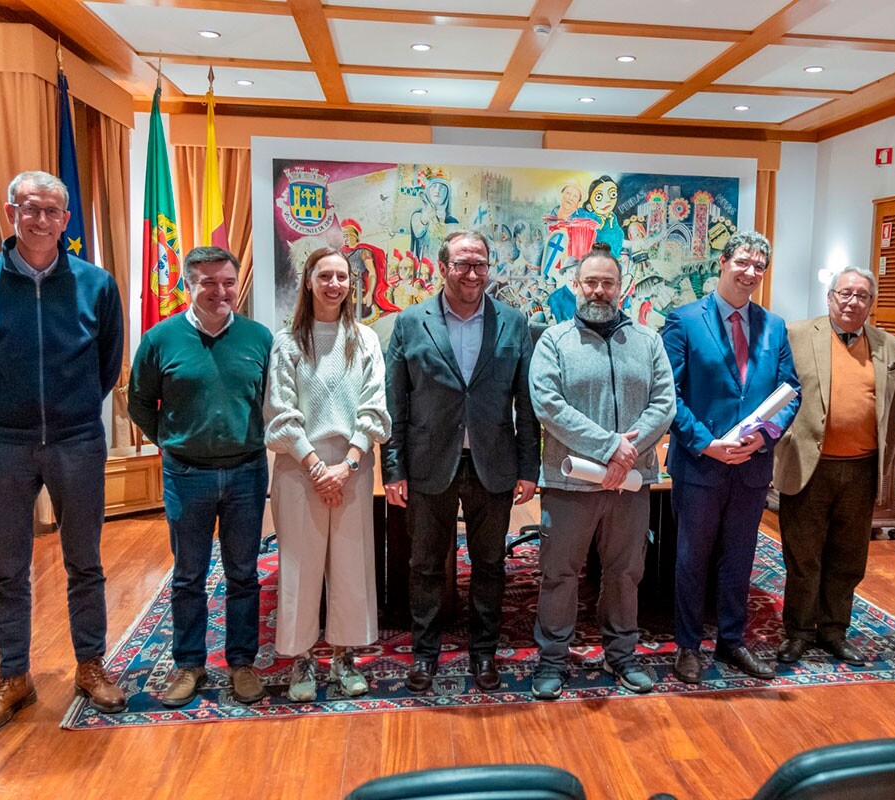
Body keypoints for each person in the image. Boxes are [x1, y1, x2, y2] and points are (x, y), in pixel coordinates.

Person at [0, 170, 126, 735]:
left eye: (52, 211)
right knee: (8, 569)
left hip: (77, 441)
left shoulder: (96, 284)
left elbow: (106, 363)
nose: (42, 220)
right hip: (5, 444)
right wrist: (5, 411)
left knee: (85, 563)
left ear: (65, 221)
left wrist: (74, 410)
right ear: (12, 213)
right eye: (31, 209)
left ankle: (91, 665)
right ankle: (13, 678)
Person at [381, 230, 540, 693]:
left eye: (480, 264)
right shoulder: (411, 322)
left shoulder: (513, 322)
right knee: (426, 564)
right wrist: (393, 468)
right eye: (463, 264)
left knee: (489, 564)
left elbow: (526, 403)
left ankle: (484, 651)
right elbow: (395, 402)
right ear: (442, 267)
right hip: (429, 462)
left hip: (494, 462)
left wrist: (529, 468)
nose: (472, 273)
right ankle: (425, 654)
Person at [527, 245, 676, 700]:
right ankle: (552, 660)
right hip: (570, 481)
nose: (598, 290)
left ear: (620, 288)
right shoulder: (554, 341)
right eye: (590, 282)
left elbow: (664, 403)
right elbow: (548, 405)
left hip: (630, 483)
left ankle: (622, 655)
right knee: (559, 574)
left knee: (625, 573)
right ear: (576, 285)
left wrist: (625, 455)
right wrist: (610, 446)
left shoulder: (648, 341)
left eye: (607, 283)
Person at [128, 245, 274, 707]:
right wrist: (171, 440)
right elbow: (139, 402)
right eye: (208, 282)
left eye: (228, 282)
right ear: (189, 285)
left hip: (247, 472)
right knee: (189, 575)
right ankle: (189, 664)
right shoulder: (160, 339)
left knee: (243, 573)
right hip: (186, 475)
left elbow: (272, 400)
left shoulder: (259, 338)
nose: (220, 291)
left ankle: (242, 662)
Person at [661, 230, 800, 684]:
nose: (750, 272)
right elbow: (669, 395)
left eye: (759, 266)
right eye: (742, 261)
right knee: (692, 559)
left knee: (740, 559)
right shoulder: (684, 320)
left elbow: (791, 392)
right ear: (722, 262)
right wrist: (706, 443)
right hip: (700, 463)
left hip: (752, 466)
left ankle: (732, 640)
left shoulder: (774, 326)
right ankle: (687, 646)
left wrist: (764, 438)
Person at [264, 248, 391, 701]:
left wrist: (348, 463)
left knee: (351, 564)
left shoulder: (365, 339)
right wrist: (317, 467)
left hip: (353, 465)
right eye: (325, 276)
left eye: (342, 277)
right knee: (300, 566)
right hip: (300, 467)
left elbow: (375, 407)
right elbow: (280, 411)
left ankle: (343, 656)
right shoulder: (287, 342)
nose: (334, 284)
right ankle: (301, 659)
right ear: (309, 281)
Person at [773, 267, 895, 667]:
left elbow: (893, 410)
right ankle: (798, 632)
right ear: (829, 297)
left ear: (871, 303)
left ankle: (834, 631)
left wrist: (884, 464)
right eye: (844, 293)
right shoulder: (796, 335)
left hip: (861, 470)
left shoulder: (891, 347)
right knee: (803, 556)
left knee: (848, 558)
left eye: (862, 295)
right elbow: (777, 395)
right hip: (808, 466)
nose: (852, 302)